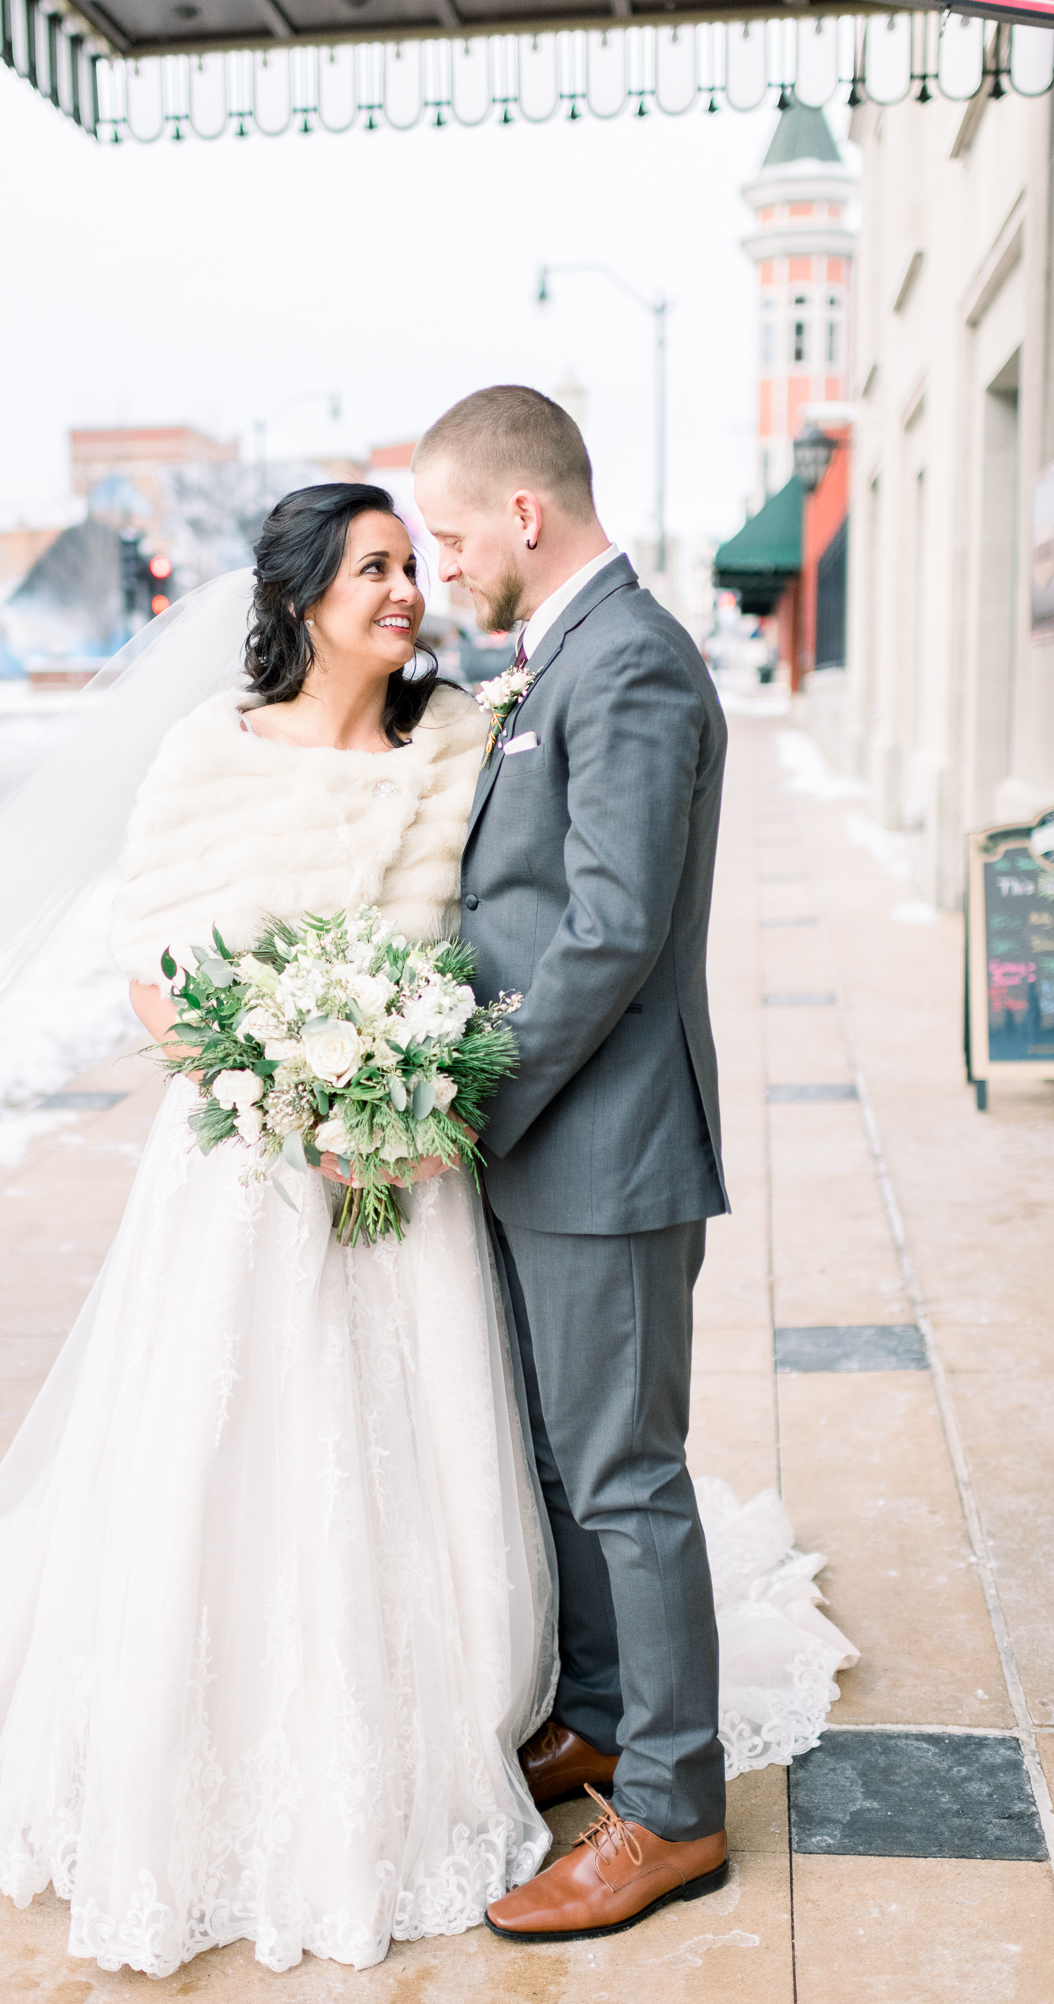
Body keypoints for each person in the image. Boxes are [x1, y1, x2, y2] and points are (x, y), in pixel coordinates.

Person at [0, 468, 856, 1974]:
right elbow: (151, 973)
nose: (402, 591)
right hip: (245, 1177)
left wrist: (399, 1078)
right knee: (229, 1461)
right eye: (372, 567)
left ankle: (510, 1726)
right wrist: (275, 1082)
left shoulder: (463, 737)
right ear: (301, 593)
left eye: (410, 566)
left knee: (454, 1456)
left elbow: (533, 920)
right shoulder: (203, 755)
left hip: (415, 1173)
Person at [415, 385, 734, 1939]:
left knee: (626, 1474)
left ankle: (673, 1807)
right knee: (563, 1460)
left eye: (455, 534)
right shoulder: (561, 659)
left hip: (602, 1145)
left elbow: (610, 932)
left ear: (525, 518)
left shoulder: (633, 665)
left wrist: (475, 1091)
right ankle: (604, 1713)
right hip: (555, 1144)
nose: (446, 564)